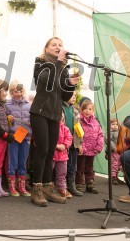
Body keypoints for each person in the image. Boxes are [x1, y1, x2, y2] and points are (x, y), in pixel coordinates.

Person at [29, 37, 77, 207]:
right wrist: (58, 62)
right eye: (54, 44)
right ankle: (36, 188)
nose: (58, 47)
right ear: (47, 48)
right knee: (41, 150)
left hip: (55, 114)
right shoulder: (40, 63)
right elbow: (45, 82)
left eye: (60, 44)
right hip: (40, 112)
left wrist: (70, 84)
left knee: (50, 152)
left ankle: (49, 187)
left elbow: (64, 96)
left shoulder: (62, 67)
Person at [4, 81, 32, 197]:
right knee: (12, 161)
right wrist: (8, 119)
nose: (19, 93)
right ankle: (12, 186)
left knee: (23, 162)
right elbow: (4, 122)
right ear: (11, 92)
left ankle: (22, 186)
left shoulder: (29, 105)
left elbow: (32, 120)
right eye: (16, 91)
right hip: (14, 137)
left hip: (25, 137)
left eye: (20, 91)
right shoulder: (7, 105)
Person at [75, 100, 104, 194]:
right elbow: (77, 134)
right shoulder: (78, 121)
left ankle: (90, 183)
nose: (87, 111)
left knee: (89, 167)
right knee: (80, 167)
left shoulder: (96, 122)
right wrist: (80, 145)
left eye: (90, 109)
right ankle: (78, 183)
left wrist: (98, 147)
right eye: (85, 109)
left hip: (92, 150)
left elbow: (100, 135)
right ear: (81, 110)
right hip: (82, 150)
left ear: (93, 111)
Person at [62, 92, 84, 197]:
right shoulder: (60, 108)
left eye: (75, 95)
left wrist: (80, 143)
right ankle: (62, 186)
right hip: (63, 143)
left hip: (73, 143)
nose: (74, 97)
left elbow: (78, 128)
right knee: (62, 166)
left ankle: (71, 185)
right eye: (71, 95)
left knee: (72, 166)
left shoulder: (75, 110)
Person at [53, 112, 73, 198]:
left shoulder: (65, 128)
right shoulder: (51, 128)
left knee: (62, 173)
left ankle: (61, 187)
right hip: (52, 154)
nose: (60, 118)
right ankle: (46, 187)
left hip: (62, 155)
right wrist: (56, 145)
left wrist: (64, 145)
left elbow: (69, 138)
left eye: (62, 116)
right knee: (48, 171)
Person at [107, 119, 126, 185]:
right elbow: (108, 140)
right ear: (109, 125)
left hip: (120, 151)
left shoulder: (120, 132)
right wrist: (113, 147)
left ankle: (116, 176)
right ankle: (113, 177)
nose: (115, 126)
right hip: (113, 151)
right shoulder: (110, 132)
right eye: (113, 124)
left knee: (118, 164)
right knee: (114, 163)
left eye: (116, 124)